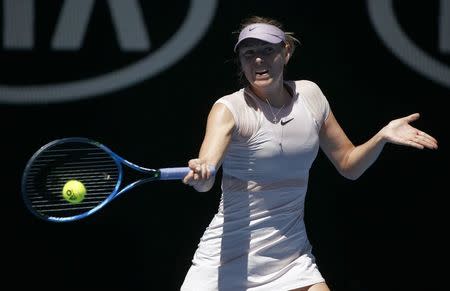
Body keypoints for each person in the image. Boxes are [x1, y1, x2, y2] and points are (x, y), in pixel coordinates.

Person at [180, 16, 438, 291]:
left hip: (290, 257)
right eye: (249, 53)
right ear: (241, 61)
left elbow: (349, 165)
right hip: (225, 260)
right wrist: (202, 174)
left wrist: (382, 136)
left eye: (267, 50)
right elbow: (206, 173)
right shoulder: (229, 109)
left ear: (286, 52)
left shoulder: (311, 96)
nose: (258, 60)